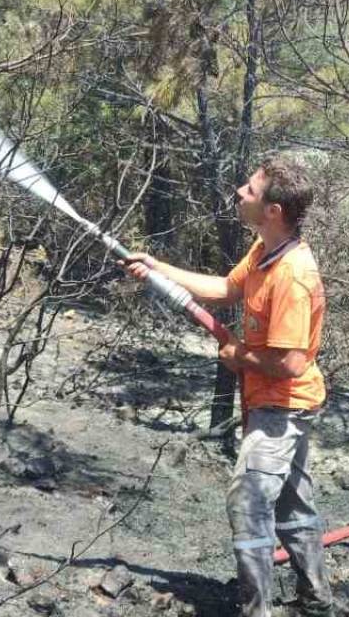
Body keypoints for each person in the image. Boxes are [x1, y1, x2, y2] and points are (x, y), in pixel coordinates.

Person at [121, 153, 333, 617]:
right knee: (294, 505)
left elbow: (293, 363)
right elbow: (224, 288)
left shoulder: (293, 275)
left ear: (273, 211)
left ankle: (255, 610)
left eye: (250, 190)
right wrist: (157, 268)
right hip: (272, 401)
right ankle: (316, 600)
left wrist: (239, 356)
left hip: (284, 406)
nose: (240, 193)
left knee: (248, 501)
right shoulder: (264, 250)